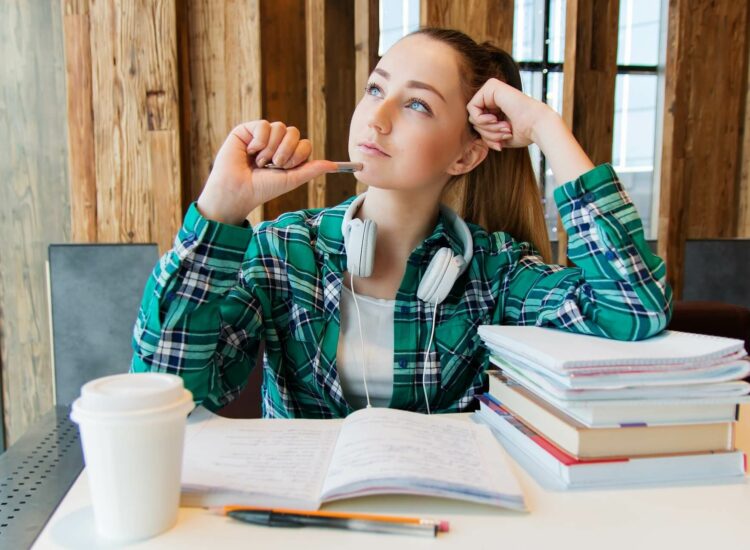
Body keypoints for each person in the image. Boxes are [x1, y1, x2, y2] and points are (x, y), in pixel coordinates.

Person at [131, 27, 673, 417]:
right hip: (306, 527)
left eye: (416, 105)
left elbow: (633, 307)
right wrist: (220, 209)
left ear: (464, 156)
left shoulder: (498, 273)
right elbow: (166, 387)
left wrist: (548, 129)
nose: (378, 116)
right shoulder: (282, 250)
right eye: (375, 89)